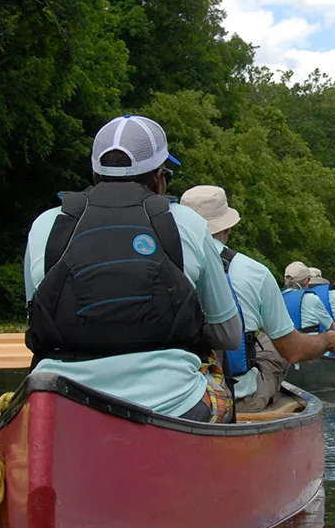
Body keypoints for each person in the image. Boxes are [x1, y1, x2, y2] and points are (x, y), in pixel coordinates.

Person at [24, 115, 241, 422]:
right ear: (158, 179)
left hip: (60, 403)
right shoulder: (189, 224)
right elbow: (229, 335)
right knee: (221, 392)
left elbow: (36, 319)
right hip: (174, 404)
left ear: (95, 173)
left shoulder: (46, 225)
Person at [179, 185, 335, 413]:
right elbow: (294, 352)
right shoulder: (255, 272)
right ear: (228, 228)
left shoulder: (158, 260)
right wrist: (329, 340)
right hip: (237, 398)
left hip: (177, 393)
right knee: (272, 344)